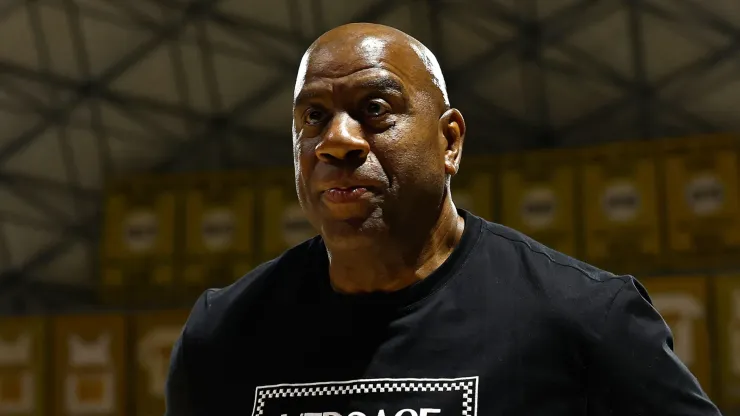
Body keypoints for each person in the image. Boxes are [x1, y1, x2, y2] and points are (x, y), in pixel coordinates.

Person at [164, 23, 721, 415]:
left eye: (374, 109)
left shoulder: (584, 316)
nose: (336, 140)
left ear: (449, 140)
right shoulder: (224, 333)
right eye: (314, 116)